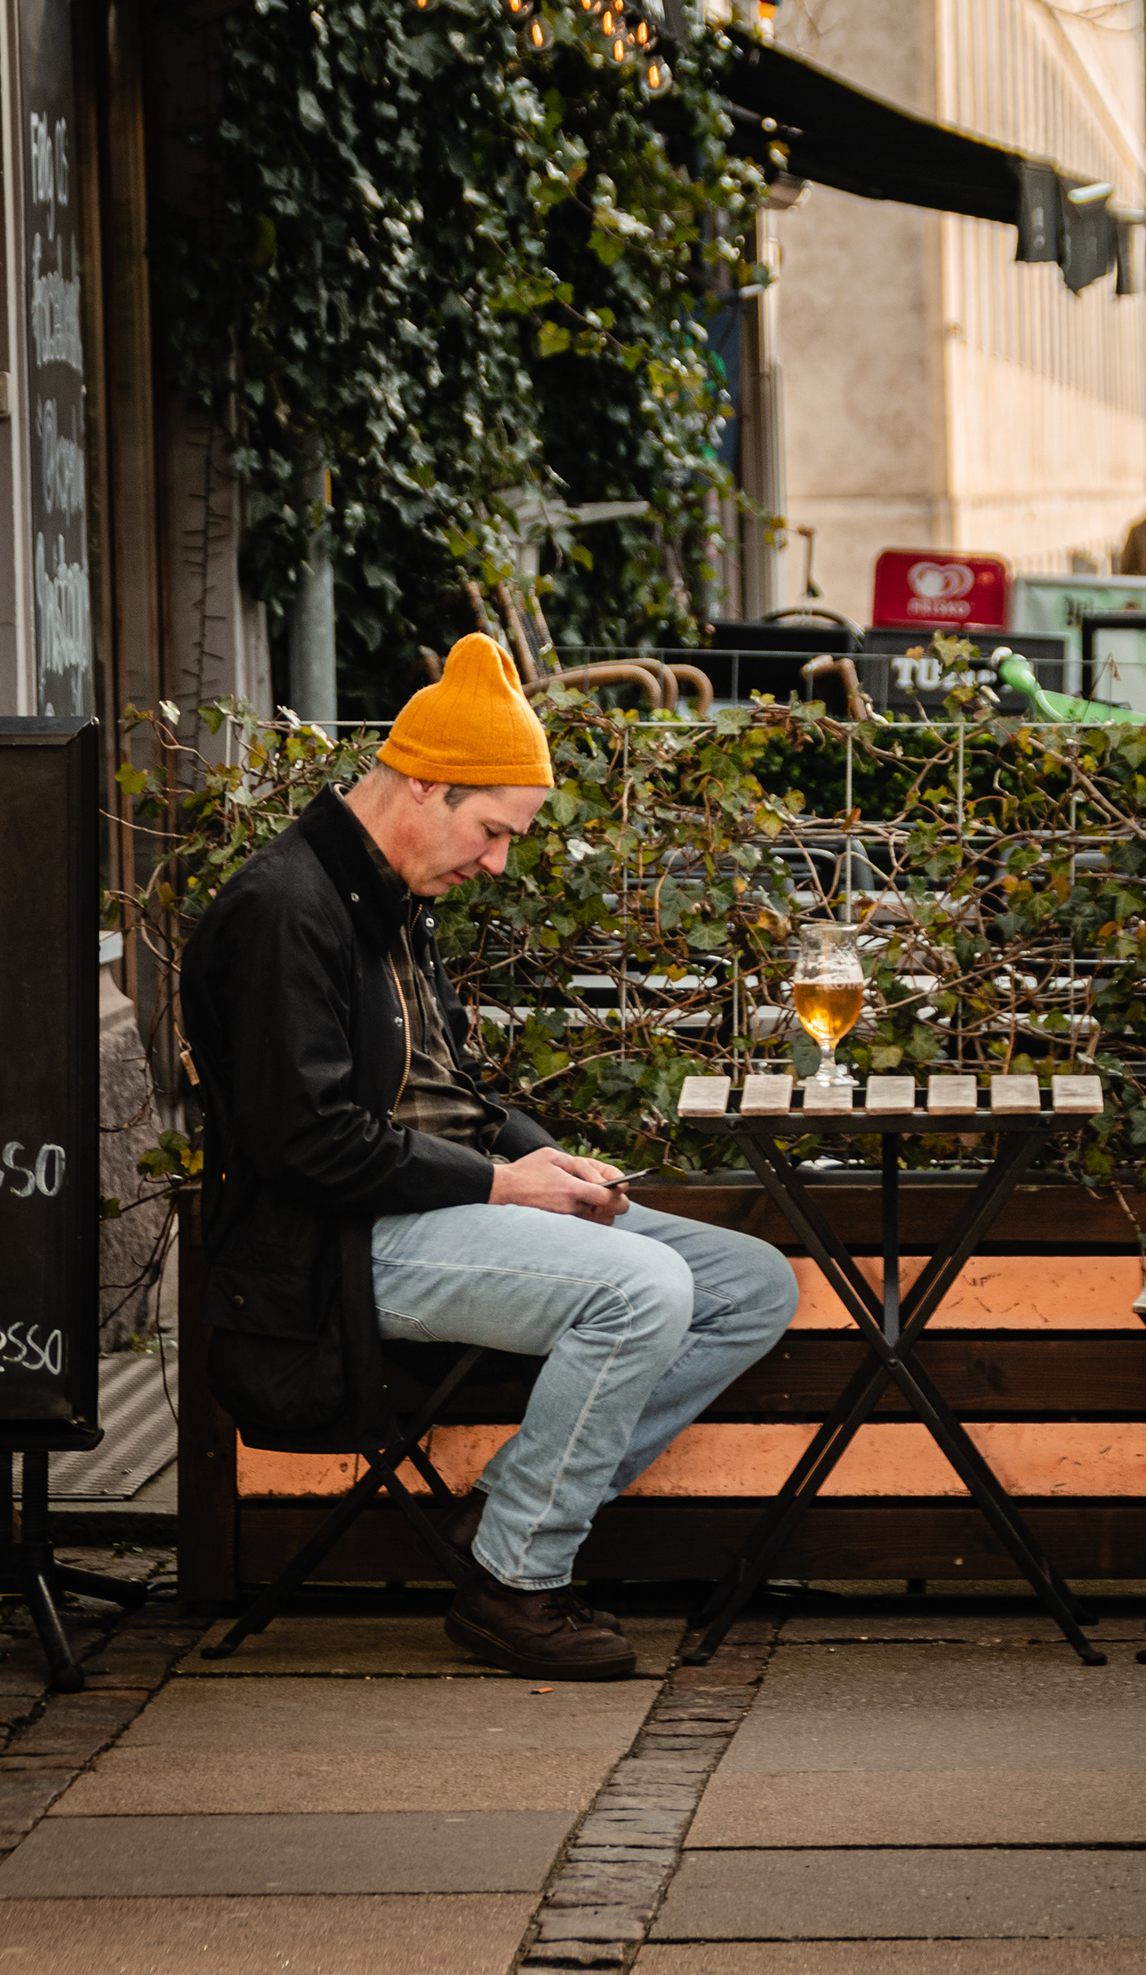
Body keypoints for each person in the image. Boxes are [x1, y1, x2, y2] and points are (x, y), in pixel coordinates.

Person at [180, 633, 799, 1682]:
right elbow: (307, 1144)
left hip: (435, 1207)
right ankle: (515, 1578)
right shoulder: (283, 910)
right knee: (643, 1289)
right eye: (495, 831)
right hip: (335, 1246)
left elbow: (450, 1093)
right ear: (427, 785)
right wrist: (506, 1185)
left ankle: (511, 1507)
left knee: (749, 1285)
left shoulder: (390, 895)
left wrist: (552, 1163)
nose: (499, 862)